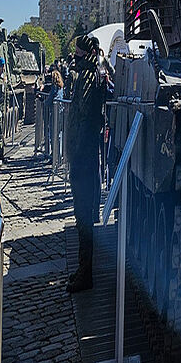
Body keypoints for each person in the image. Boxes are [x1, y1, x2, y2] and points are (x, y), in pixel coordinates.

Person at [65, 36, 112, 293]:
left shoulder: (89, 74)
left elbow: (83, 115)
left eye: (78, 50)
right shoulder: (92, 71)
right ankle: (84, 269)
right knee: (82, 214)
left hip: (84, 152)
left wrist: (77, 152)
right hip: (85, 151)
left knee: (83, 215)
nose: (75, 55)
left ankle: (86, 273)